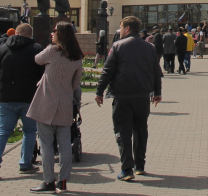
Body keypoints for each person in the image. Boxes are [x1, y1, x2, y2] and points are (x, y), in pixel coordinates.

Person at [95, 16, 162, 182]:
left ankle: (126, 169)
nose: (119, 32)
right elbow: (156, 72)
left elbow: (107, 71)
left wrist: (99, 91)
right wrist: (157, 92)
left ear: (126, 29)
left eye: (121, 28)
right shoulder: (150, 48)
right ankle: (140, 166)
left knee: (123, 131)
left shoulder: (118, 46)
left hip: (122, 96)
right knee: (141, 131)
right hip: (143, 96)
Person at [27, 22, 83, 193]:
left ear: (61, 34)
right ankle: (63, 181)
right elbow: (76, 83)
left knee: (46, 145)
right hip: (65, 105)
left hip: (46, 104)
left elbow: (37, 59)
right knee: (65, 145)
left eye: (55, 31)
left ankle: (48, 181)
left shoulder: (52, 51)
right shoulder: (77, 57)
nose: (52, 33)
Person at [0, 23, 44, 179]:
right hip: (29, 98)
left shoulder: (3, 49)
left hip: (6, 97)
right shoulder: (36, 49)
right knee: (29, 131)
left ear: (16, 33)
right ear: (30, 35)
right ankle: (25, 164)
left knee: (2, 131)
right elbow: (42, 74)